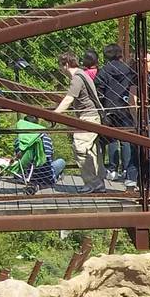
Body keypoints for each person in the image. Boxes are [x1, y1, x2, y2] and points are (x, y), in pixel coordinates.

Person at [56, 52, 107, 192]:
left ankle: (92, 182)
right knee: (92, 151)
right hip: (93, 116)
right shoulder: (82, 74)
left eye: (61, 67)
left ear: (66, 65)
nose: (61, 70)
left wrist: (55, 114)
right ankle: (99, 182)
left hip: (88, 117)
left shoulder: (77, 78)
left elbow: (69, 98)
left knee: (80, 147)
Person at [95, 45, 138, 182]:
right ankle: (126, 169)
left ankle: (113, 169)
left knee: (111, 139)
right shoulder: (128, 70)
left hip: (109, 108)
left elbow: (99, 89)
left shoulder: (104, 70)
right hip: (125, 106)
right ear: (120, 54)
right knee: (126, 138)